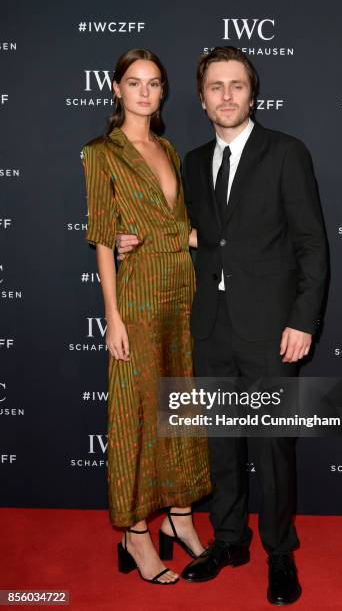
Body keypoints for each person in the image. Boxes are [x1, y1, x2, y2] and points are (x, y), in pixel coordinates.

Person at [116, 46, 329, 604]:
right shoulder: (189, 162)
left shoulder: (287, 153)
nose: (227, 96)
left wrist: (303, 320)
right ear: (202, 97)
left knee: (273, 451)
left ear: (251, 93)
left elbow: (311, 244)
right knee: (222, 448)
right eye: (216, 87)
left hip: (271, 331)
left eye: (236, 85)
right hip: (208, 328)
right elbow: (188, 236)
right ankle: (230, 539)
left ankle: (280, 553)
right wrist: (127, 240)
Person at [81, 48, 211, 586]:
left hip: (180, 291)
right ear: (116, 89)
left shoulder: (168, 147)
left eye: (154, 84)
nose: (144, 92)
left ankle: (179, 515)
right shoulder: (101, 153)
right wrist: (111, 315)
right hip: (135, 298)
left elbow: (182, 227)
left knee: (177, 406)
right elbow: (102, 240)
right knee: (136, 416)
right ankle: (135, 532)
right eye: (134, 83)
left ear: (163, 93)